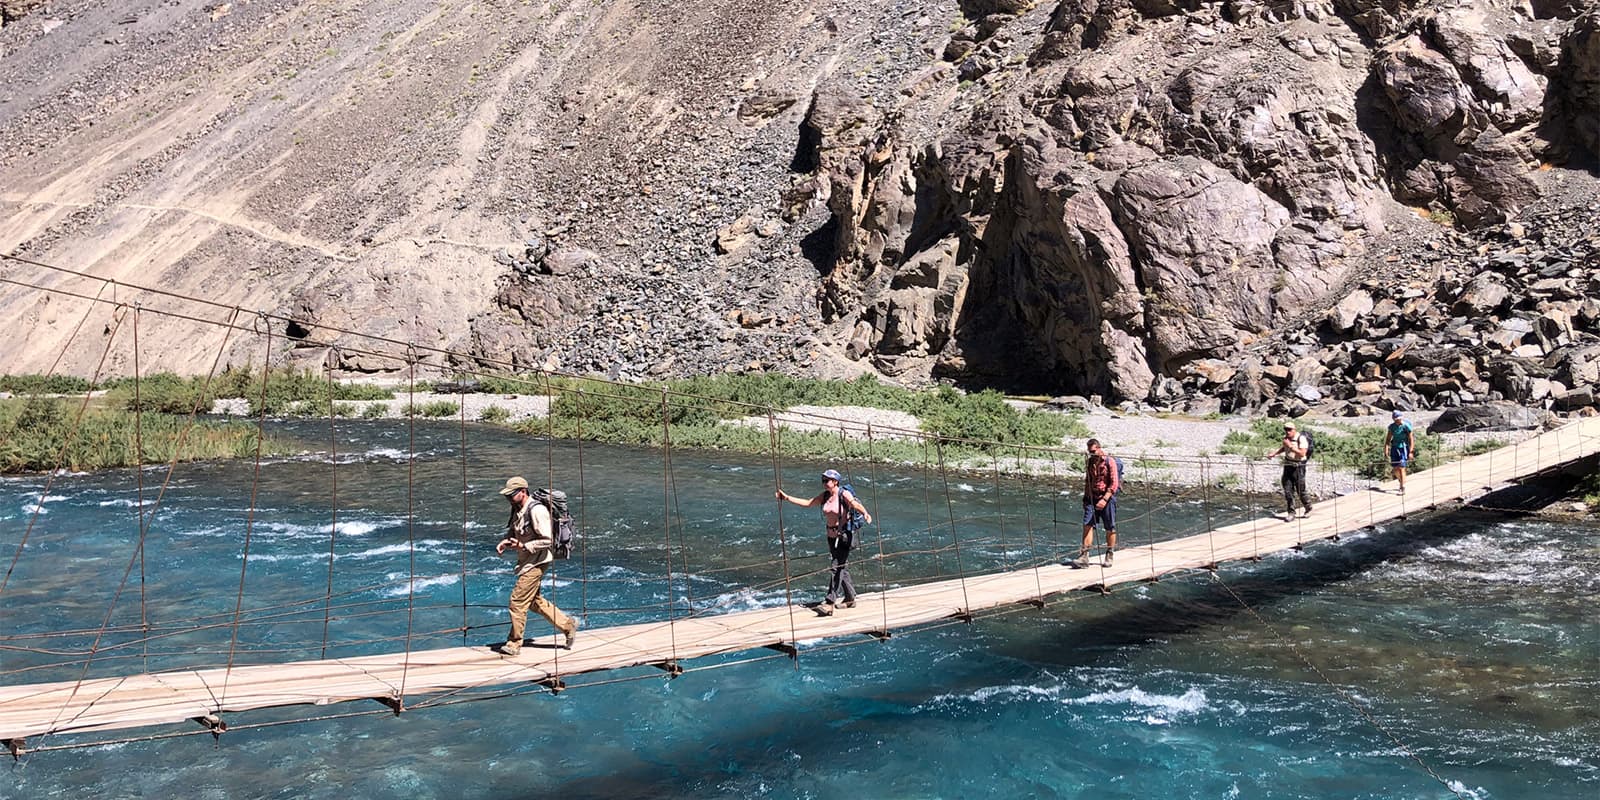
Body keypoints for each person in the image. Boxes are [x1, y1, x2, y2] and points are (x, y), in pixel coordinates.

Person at [495, 476, 578, 656]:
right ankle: (568, 625)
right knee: (533, 601)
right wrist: (506, 541)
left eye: (511, 494)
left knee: (517, 602)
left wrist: (524, 546)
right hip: (527, 561)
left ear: (523, 492)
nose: (508, 498)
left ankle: (514, 644)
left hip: (537, 561)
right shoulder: (518, 508)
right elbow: (516, 530)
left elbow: (546, 539)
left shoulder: (537, 510)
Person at [775, 468, 872, 616]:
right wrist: (786, 498)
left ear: (836, 482)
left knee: (835, 567)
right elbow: (808, 503)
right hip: (831, 536)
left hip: (844, 536)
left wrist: (865, 513)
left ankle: (829, 602)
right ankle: (850, 598)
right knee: (841, 567)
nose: (825, 483)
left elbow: (854, 504)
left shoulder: (843, 494)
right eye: (824, 480)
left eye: (828, 480)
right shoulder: (826, 496)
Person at [1074, 439, 1119, 567]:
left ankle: (1109, 554)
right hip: (1091, 498)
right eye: (1089, 452)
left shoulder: (1110, 461)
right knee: (1087, 524)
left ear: (1099, 448)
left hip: (1107, 498)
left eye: (1093, 451)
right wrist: (1085, 497)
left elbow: (1114, 483)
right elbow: (1088, 480)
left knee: (1109, 527)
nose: (1091, 454)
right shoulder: (1090, 462)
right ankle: (1084, 556)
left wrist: (1105, 499)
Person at [1265, 422, 1313, 520]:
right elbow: (1284, 448)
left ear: (1294, 429)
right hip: (1288, 465)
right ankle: (1291, 513)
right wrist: (1274, 453)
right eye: (1286, 429)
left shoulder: (1301, 439)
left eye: (1289, 429)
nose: (1287, 431)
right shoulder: (1287, 439)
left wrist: (1290, 446)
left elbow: (1302, 453)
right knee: (1288, 490)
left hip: (1299, 466)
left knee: (1300, 490)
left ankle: (1308, 507)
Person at [1384, 409, 1415, 495]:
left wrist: (1411, 451)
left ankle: (1402, 487)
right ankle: (1401, 480)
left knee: (1401, 467)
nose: (1398, 421)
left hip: (1403, 448)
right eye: (1396, 419)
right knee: (1395, 469)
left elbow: (1411, 439)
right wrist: (1386, 449)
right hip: (1394, 448)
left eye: (1399, 419)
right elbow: (1388, 439)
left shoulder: (1406, 426)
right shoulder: (1392, 427)